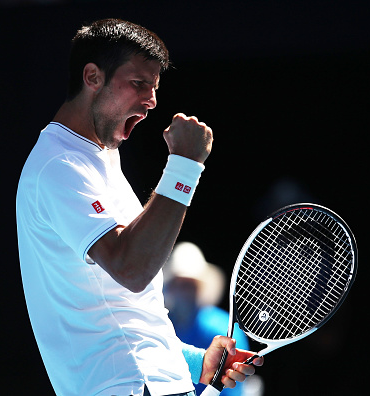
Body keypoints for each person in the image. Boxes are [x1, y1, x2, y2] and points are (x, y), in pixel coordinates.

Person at [16, 18, 263, 396]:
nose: (151, 101)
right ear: (92, 76)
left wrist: (198, 363)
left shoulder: (100, 159)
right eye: (139, 84)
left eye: (155, 87)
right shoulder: (59, 165)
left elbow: (127, 314)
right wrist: (185, 166)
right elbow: (131, 269)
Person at [163, 242, 255, 396]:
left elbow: (232, 389)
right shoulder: (160, 326)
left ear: (200, 288)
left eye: (189, 285)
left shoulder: (223, 328)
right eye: (178, 284)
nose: (183, 292)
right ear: (170, 287)